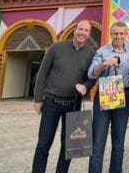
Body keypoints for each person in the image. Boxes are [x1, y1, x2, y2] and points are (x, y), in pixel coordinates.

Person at [32, 20, 96, 173]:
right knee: (43, 143)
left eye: (86, 31)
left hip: (73, 104)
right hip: (51, 102)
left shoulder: (91, 54)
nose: (82, 33)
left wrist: (86, 87)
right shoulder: (57, 47)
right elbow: (42, 73)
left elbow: (93, 77)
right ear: (74, 30)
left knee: (69, 145)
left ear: (89, 34)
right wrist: (38, 99)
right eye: (80, 29)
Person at [87, 21, 129, 173]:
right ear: (111, 35)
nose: (119, 36)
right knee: (97, 142)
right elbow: (91, 73)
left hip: (124, 95)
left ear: (126, 34)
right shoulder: (102, 51)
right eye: (115, 33)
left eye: (122, 33)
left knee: (118, 142)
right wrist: (103, 64)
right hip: (104, 95)